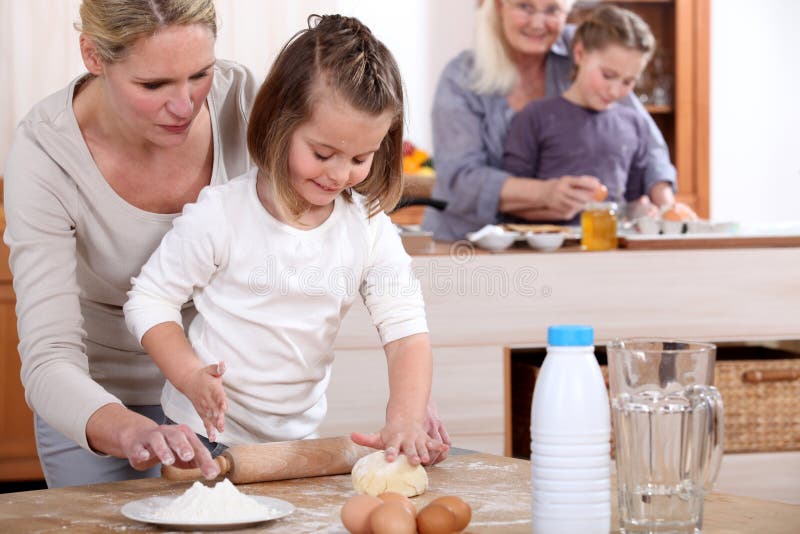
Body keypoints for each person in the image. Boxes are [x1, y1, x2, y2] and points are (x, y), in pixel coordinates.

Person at [124, 14, 450, 467]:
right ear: (280, 122)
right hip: (202, 438)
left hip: (297, 445)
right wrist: (189, 375)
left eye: (361, 158)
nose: (339, 174)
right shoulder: (222, 214)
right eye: (322, 153)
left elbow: (406, 331)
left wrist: (406, 416)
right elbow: (148, 300)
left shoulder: (367, 227)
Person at [2, 0, 255, 488]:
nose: (185, 105)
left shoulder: (242, 100)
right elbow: (49, 355)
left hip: (222, 402)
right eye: (153, 85)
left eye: (200, 73)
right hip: (97, 400)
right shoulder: (44, 153)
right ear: (93, 56)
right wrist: (124, 428)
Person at [422, 0, 678, 241]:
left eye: (552, 10)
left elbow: (647, 143)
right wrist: (544, 194)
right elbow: (458, 179)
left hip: (556, 241)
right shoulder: (462, 77)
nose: (537, 23)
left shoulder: (586, 49)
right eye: (525, 6)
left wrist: (668, 207)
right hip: (465, 240)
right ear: (499, 5)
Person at [503, 5, 684, 224]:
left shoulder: (634, 124)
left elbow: (633, 201)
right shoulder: (535, 117)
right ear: (579, 54)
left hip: (611, 248)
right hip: (550, 250)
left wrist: (645, 212)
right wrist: (553, 208)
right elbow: (509, 204)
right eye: (608, 75)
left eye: (628, 82)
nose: (615, 90)